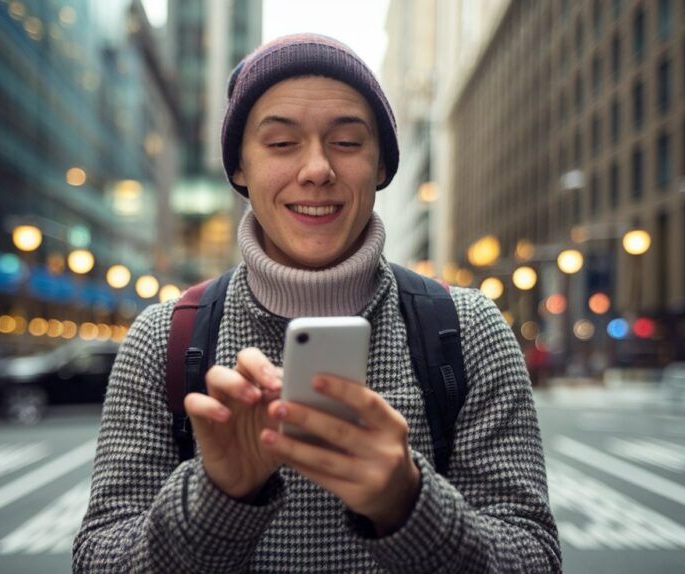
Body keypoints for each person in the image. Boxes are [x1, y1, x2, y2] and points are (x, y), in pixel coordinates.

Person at [73, 33, 561, 572]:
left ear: (381, 166)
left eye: (347, 142)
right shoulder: (164, 337)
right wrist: (216, 497)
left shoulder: (468, 329)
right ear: (239, 168)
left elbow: (534, 555)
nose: (316, 169)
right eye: (281, 144)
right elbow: (98, 558)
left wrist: (407, 502)